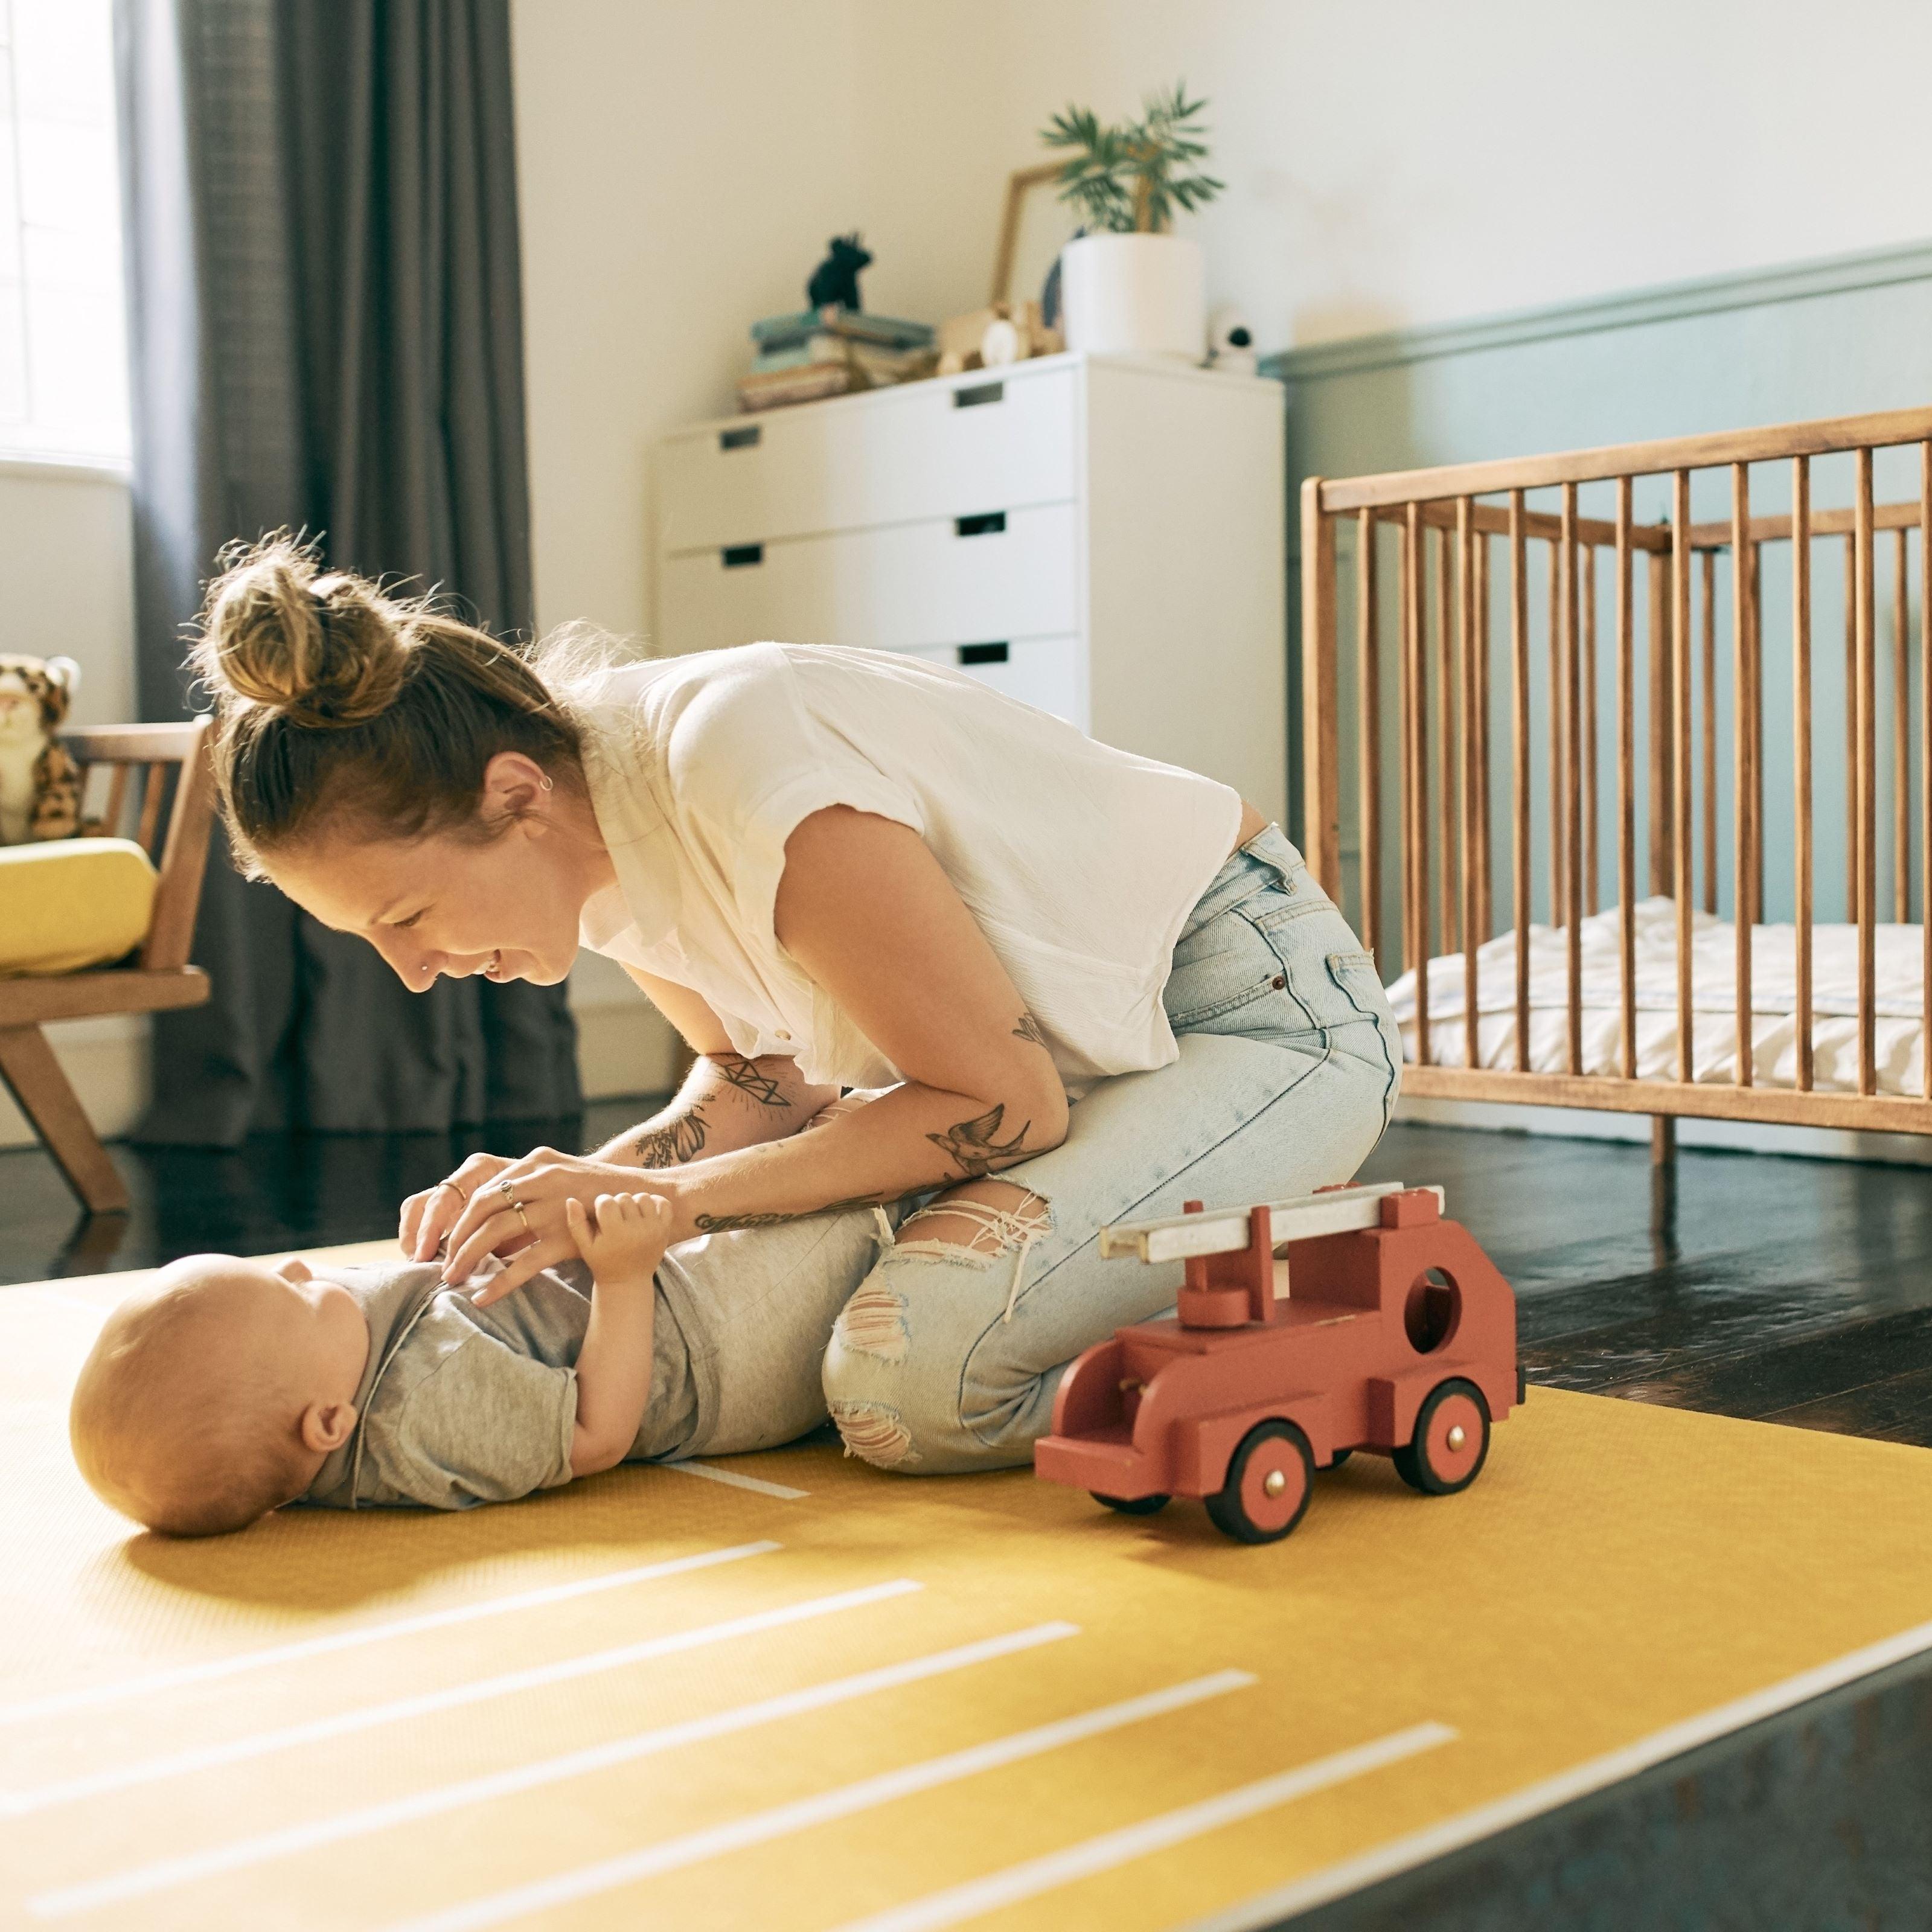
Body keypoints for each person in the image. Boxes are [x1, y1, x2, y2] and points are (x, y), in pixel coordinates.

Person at [186, 534, 1401, 1476]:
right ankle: (1115, 1270)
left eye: (405, 916)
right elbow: (763, 1080)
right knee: (839, 1326)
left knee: (902, 1383)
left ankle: (1257, 1347)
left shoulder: (744, 764)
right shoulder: (589, 842)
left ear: (513, 796)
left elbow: (1001, 1102)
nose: (411, 969)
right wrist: (567, 1183)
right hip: (1074, 1079)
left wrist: (661, 1200)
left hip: (1255, 1018)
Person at [69, 1182, 894, 1535]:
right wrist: (624, 1274)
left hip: (664, 1287)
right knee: (861, 1215)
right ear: (330, 1423)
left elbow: (411, 1295)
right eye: (295, 1295)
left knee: (808, 1149)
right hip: (712, 1348)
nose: (298, 1270)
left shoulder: (324, 1363)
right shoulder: (422, 1410)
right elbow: (597, 1433)